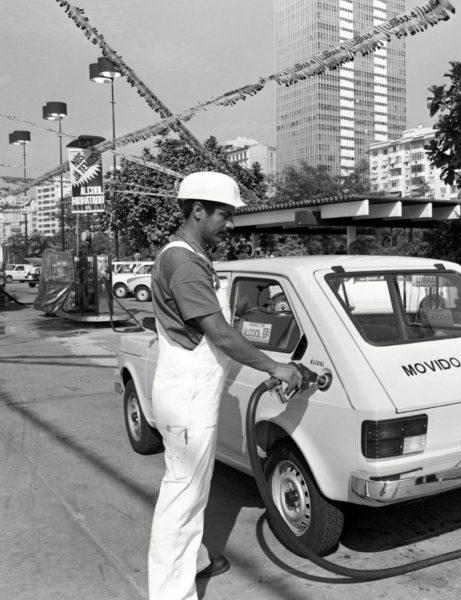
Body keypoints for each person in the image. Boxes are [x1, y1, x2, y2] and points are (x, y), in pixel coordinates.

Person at [147, 171, 302, 600]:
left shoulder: (192, 256)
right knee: (181, 496)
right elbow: (220, 334)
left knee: (193, 489)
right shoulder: (183, 262)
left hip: (190, 392)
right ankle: (169, 594)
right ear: (198, 210)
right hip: (187, 396)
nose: (230, 224)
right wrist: (275, 368)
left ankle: (195, 559)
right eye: (224, 215)